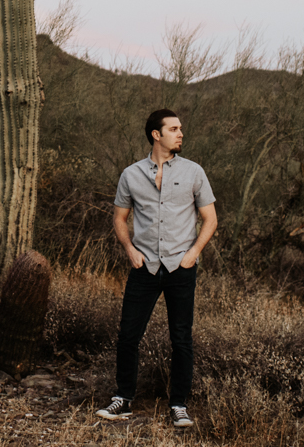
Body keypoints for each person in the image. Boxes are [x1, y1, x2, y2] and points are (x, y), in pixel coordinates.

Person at [96, 109, 217, 429]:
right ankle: (122, 398)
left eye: (180, 129)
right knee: (128, 335)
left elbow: (211, 219)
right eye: (174, 129)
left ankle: (179, 404)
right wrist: (130, 251)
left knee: (181, 339)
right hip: (144, 266)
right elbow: (119, 219)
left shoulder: (194, 172)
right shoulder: (131, 175)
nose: (180, 134)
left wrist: (193, 254)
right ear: (156, 134)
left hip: (181, 266)